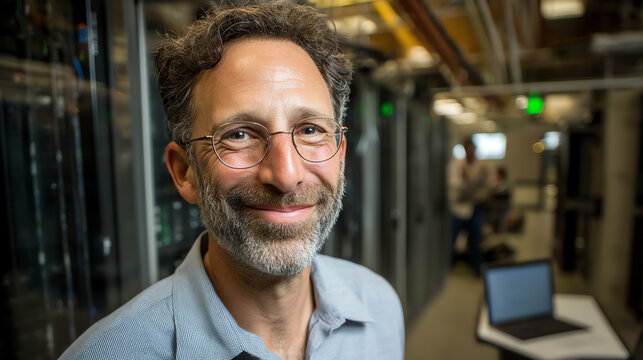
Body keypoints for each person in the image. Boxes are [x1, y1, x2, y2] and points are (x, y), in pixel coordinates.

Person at [60, 2, 404, 359]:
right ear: (184, 171)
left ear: (341, 156)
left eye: (310, 130)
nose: (286, 175)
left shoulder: (380, 308)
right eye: (239, 134)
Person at [448, 137, 490, 275]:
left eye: (473, 149)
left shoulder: (481, 166)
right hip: (458, 209)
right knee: (452, 241)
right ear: (465, 149)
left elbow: (486, 186)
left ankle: (476, 268)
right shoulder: (456, 165)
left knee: (475, 241)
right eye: (468, 149)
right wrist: (468, 181)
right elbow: (454, 185)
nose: (471, 152)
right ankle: (448, 267)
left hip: (474, 208)